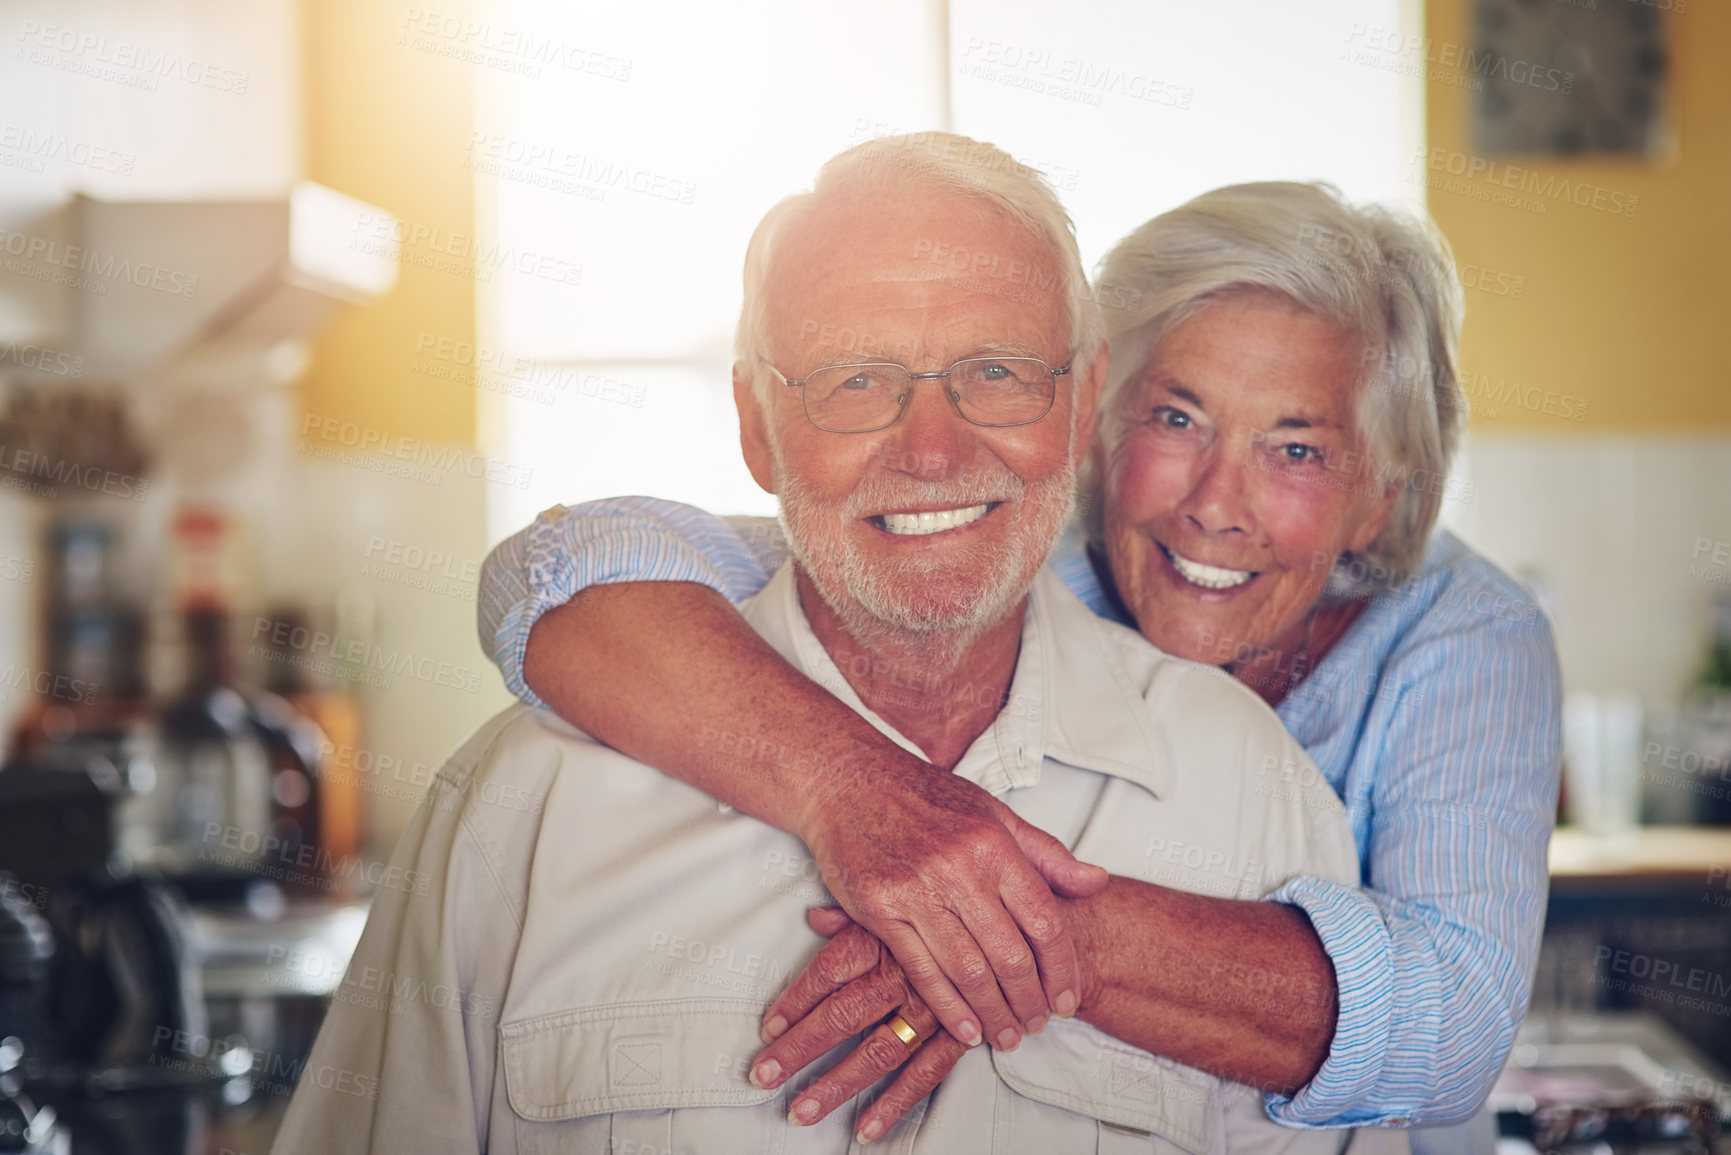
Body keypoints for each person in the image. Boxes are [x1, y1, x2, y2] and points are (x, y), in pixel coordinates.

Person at [273, 133, 1397, 1153]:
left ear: (1083, 399)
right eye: (857, 381)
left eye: (997, 372)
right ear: (759, 427)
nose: (936, 452)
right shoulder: (517, 811)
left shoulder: (1255, 794)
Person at [476, 171, 1563, 1147]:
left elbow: (1452, 1024)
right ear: (1093, 419)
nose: (1215, 506)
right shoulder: (1002, 551)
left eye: (1295, 449)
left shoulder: (1460, 638)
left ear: (1380, 495)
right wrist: (858, 793)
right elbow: (564, 571)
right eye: (1176, 417)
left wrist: (989, 931)